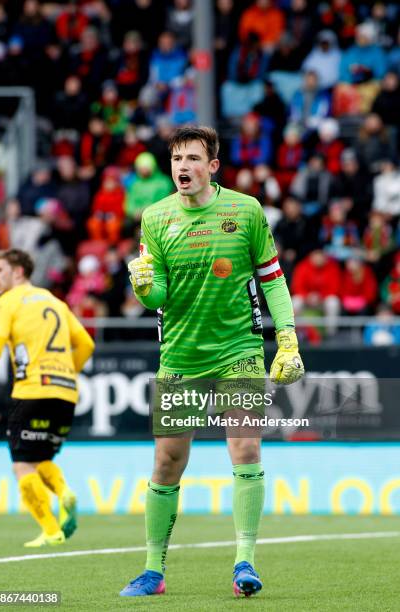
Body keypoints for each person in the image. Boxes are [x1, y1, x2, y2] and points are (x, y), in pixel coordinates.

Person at [121, 126, 304, 598]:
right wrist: (143, 288)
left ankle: (245, 562)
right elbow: (158, 295)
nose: (183, 167)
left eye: (193, 159)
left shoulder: (246, 211)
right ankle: (152, 571)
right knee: (168, 462)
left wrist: (287, 339)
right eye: (176, 159)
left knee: (245, 449)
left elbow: (273, 278)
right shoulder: (155, 218)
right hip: (180, 354)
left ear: (213, 166)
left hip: (238, 350)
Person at [0, 249, 95, 547]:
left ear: (18, 272)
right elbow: (86, 344)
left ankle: (51, 529)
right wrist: (64, 372)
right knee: (40, 459)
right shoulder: (55, 301)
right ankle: (63, 493)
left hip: (31, 390)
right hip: (65, 392)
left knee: (21, 466)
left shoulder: (5, 303)